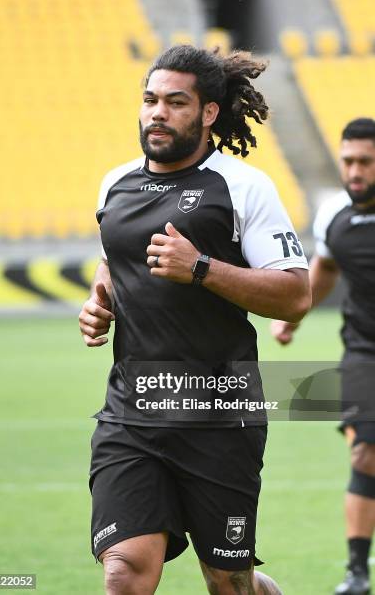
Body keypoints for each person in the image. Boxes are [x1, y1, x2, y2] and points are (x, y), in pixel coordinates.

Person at [79, 44, 310, 595]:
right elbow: (115, 264)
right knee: (126, 569)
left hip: (220, 412)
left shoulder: (242, 187)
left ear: (208, 112)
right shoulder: (115, 185)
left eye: (175, 102)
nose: (157, 112)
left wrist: (202, 268)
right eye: (150, 100)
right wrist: (99, 305)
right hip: (132, 410)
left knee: (228, 581)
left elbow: (294, 295)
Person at [271, 117, 375, 595]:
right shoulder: (334, 215)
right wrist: (294, 315)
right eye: (348, 161)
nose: (354, 171)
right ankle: (357, 572)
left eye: (365, 163)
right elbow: (327, 266)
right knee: (366, 452)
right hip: (364, 351)